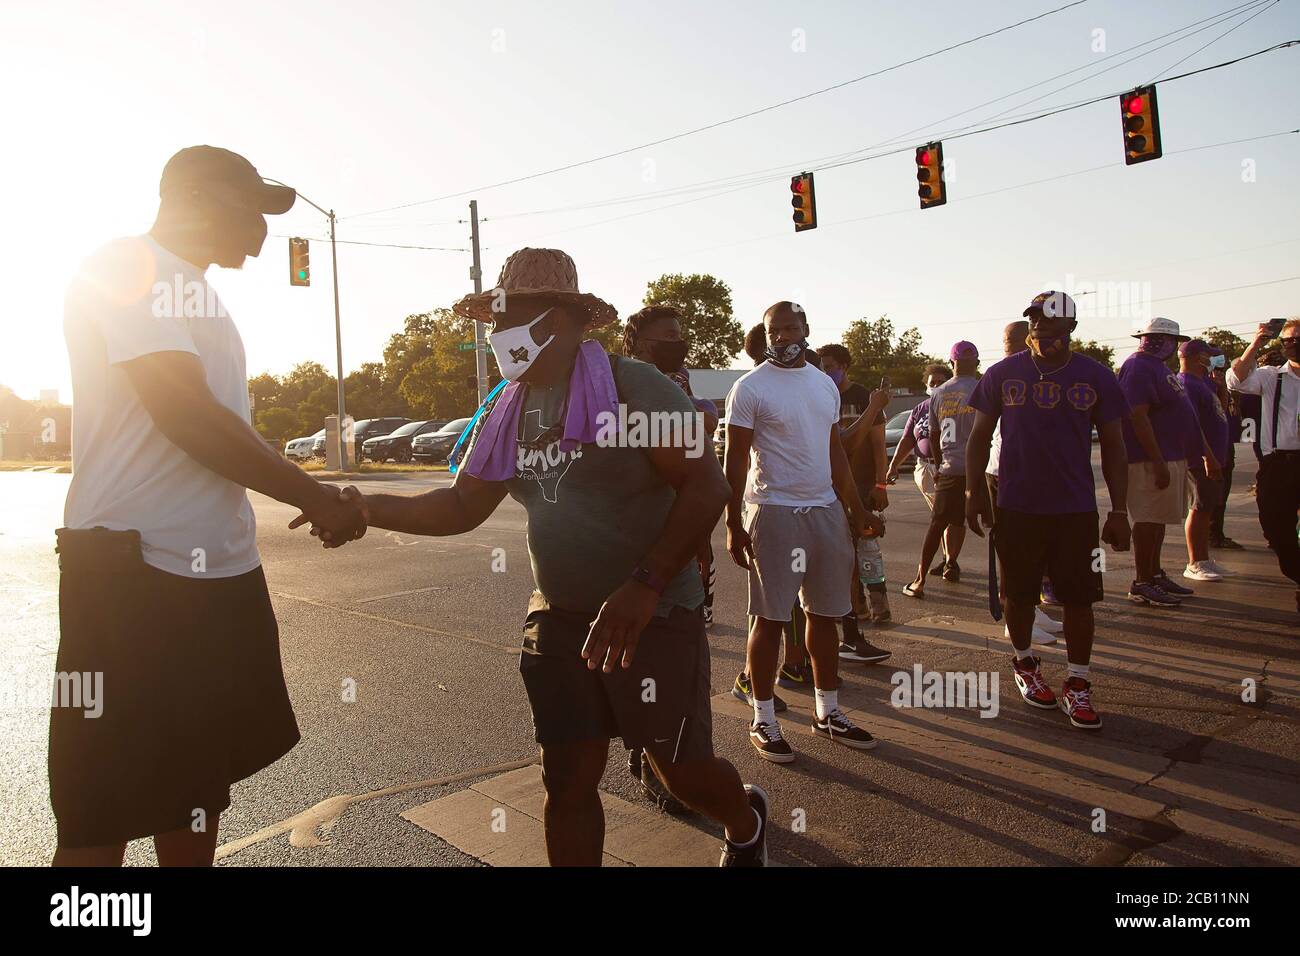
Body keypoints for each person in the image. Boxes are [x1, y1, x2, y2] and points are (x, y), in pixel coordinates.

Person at [321, 248, 768, 865]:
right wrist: (365, 505)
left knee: (681, 772)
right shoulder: (507, 406)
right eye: (499, 320)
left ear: (571, 320)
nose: (504, 333)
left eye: (521, 316)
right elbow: (461, 506)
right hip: (559, 619)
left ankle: (745, 823)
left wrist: (646, 582)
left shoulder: (636, 388)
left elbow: (708, 485)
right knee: (567, 779)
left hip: (655, 609)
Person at [52, 146, 367, 867]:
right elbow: (186, 415)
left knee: (194, 788)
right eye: (250, 211)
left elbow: (217, 421)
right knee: (101, 804)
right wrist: (316, 496)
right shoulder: (125, 268)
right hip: (133, 576)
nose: (260, 234)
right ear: (196, 197)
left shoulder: (191, 288)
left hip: (214, 576)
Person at [966, 291, 1132, 730]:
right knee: (1017, 594)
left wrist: (1119, 510)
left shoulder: (1095, 376)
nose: (1041, 328)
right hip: (1016, 505)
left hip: (1075, 508)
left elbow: (1115, 445)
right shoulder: (1004, 373)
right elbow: (979, 438)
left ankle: (1078, 683)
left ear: (1071, 328)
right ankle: (1024, 662)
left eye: (1051, 322)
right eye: (1035, 320)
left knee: (1080, 598)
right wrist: (974, 493)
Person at [724, 301, 878, 763]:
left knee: (825, 615)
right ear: (766, 334)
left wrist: (856, 508)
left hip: (825, 510)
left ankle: (827, 711)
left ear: (806, 329)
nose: (785, 337)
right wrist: (732, 522)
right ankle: (763, 717)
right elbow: (734, 462)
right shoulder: (748, 388)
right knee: (770, 618)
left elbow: (835, 452)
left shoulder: (822, 384)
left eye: (792, 328)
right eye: (776, 330)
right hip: (772, 511)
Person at [620, 303, 717, 816]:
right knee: (635, 662)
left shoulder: (678, 382)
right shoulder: (618, 385)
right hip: (637, 537)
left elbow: (700, 474)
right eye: (666, 337)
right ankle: (651, 763)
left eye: (680, 334)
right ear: (637, 344)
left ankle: (676, 768)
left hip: (682, 530)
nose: (677, 342)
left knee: (679, 659)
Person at [1117, 317, 1211, 607]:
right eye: (1166, 340)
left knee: (1158, 521)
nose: (1169, 346)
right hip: (1148, 459)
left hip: (1170, 455)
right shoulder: (1138, 366)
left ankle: (1154, 574)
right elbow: (1137, 415)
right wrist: (1156, 459)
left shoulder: (1158, 367)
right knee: (1147, 520)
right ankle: (1142, 582)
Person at [986, 320, 1060, 645]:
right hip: (1006, 473)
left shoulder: (1036, 369)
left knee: (1033, 551)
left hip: (1029, 473)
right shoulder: (1007, 372)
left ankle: (1030, 610)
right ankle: (1012, 617)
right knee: (1015, 553)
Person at [817, 343, 892, 661]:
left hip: (860, 484)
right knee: (843, 552)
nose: (826, 371)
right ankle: (852, 611)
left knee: (867, 548)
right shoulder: (821, 392)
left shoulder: (862, 396)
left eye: (831, 365)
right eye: (822, 365)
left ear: (845, 366)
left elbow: (877, 445)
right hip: (832, 485)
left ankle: (878, 606)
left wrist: (880, 483)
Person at [1226, 319, 1300, 615]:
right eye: (1287, 340)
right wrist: (1257, 343)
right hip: (1278, 465)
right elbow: (1236, 379)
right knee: (1275, 530)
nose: (1291, 343)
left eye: (1297, 338)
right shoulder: (1271, 377)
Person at [903, 341, 980, 597]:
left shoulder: (938, 394)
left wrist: (937, 465)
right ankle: (1009, 592)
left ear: (951, 364)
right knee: (996, 527)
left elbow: (934, 436)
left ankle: (919, 580)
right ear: (977, 363)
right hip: (979, 468)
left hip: (950, 468)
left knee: (938, 523)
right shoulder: (983, 388)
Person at [1178, 340, 1234, 581]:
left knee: (1208, 507)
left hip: (1216, 456)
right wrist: (1207, 456)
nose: (1212, 360)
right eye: (1207, 355)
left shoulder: (1204, 383)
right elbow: (1191, 425)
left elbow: (1218, 413)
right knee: (1199, 508)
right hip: (1200, 459)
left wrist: (1221, 389)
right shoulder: (1186, 383)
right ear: (1194, 356)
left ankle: (1203, 559)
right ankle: (1194, 563)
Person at [1207, 344, 1244, 550]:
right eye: (1217, 361)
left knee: (1222, 493)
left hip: (1226, 444)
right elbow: (1215, 414)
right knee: (1212, 495)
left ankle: (1216, 532)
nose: (1221, 367)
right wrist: (1219, 388)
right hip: (1212, 448)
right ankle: (1211, 535)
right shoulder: (1205, 384)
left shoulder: (1225, 382)